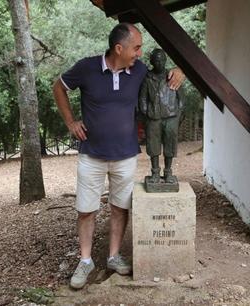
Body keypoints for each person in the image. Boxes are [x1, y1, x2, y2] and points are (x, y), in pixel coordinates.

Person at [52, 22, 184, 289]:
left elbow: (164, 75)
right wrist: (70, 122)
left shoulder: (139, 72)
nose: (140, 53)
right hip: (92, 154)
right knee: (86, 210)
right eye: (136, 47)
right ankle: (86, 260)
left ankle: (113, 256)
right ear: (118, 47)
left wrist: (178, 70)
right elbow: (59, 87)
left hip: (126, 155)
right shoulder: (87, 68)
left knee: (119, 207)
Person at [139, 48, 185, 185]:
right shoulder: (148, 78)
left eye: (161, 59)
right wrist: (146, 111)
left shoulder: (172, 76)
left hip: (171, 116)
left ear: (165, 61)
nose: (159, 62)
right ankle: (155, 173)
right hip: (153, 117)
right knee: (153, 146)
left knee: (170, 144)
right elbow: (143, 98)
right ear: (152, 61)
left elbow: (181, 98)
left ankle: (168, 173)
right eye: (156, 60)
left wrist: (179, 114)